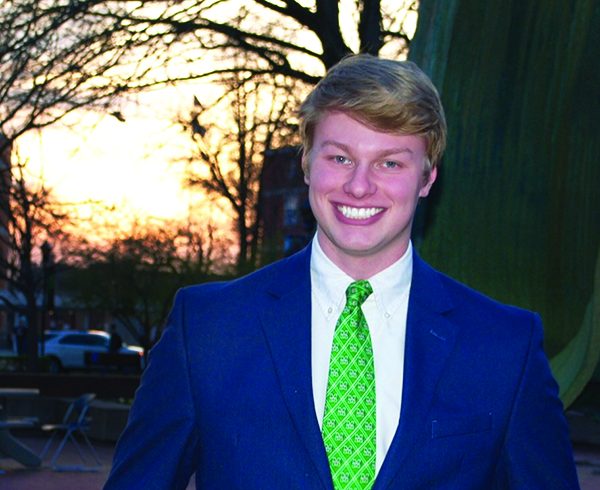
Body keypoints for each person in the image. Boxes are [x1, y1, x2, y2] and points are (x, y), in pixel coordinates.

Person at [104, 55, 579, 489]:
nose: (358, 185)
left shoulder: (504, 347)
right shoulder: (208, 328)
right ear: (307, 163)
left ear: (428, 178)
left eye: (389, 162)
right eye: (340, 158)